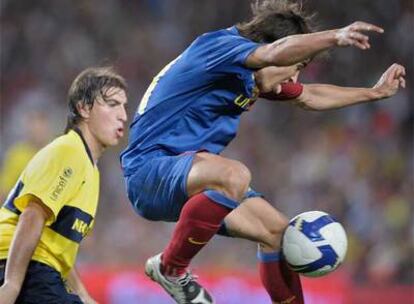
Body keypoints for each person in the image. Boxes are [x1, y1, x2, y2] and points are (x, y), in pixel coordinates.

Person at [121, 1, 406, 303]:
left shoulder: (252, 73)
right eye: (296, 67)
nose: (294, 79)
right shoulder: (219, 47)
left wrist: (373, 93)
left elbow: (309, 96)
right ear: (275, 47)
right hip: (149, 171)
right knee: (234, 175)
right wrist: (335, 36)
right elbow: (273, 53)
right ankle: (171, 269)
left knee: (280, 235)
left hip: (189, 179)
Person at [0, 67, 128, 304]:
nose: (123, 115)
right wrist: (12, 284)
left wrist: (84, 296)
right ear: (84, 108)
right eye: (112, 104)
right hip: (21, 266)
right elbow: (31, 216)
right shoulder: (69, 151)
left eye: (123, 106)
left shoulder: (91, 170)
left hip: (38, 268)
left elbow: (58, 250)